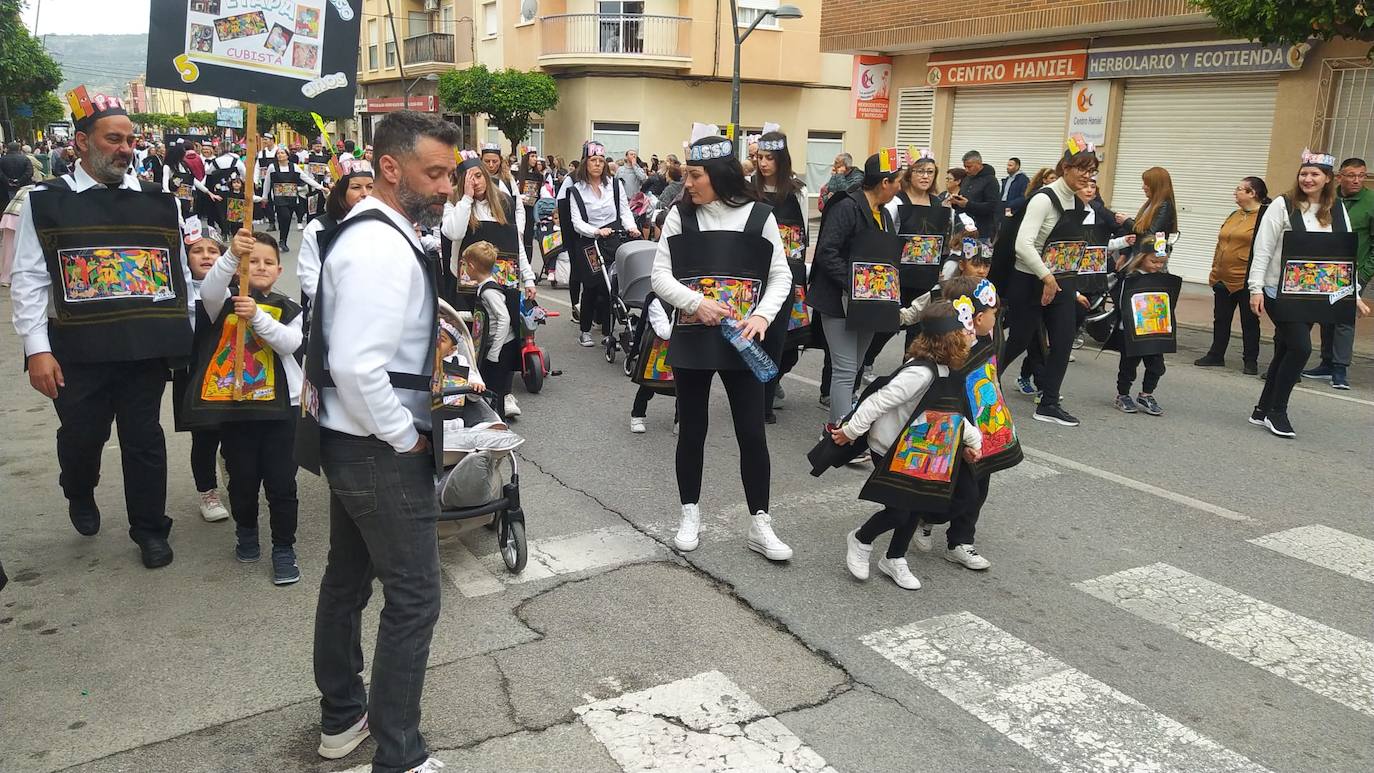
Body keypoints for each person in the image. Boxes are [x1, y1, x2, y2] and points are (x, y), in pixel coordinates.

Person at [307, 110, 458, 773]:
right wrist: (404, 438)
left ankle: (343, 715)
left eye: (451, 171)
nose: (448, 185)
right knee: (415, 597)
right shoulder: (379, 247)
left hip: (352, 438)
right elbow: (356, 366)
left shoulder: (377, 234)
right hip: (378, 446)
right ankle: (399, 755)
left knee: (347, 580)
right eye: (436, 172)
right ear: (390, 168)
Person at [10, 89, 191, 568]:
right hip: (77, 351)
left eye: (130, 140)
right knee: (82, 436)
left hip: (143, 348)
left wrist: (188, 333)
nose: (125, 148)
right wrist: (37, 349)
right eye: (114, 139)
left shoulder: (160, 202)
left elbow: (179, 276)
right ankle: (78, 487)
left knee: (144, 440)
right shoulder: (44, 202)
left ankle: (150, 529)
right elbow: (29, 279)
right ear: (82, 142)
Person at [651, 126, 793, 561]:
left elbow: (780, 275)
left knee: (752, 432)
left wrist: (762, 315)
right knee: (692, 429)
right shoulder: (680, 216)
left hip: (743, 340)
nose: (687, 183)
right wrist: (696, 303)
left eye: (695, 175)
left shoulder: (760, 216)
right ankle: (689, 512)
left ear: (718, 174)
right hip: (693, 336)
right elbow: (660, 276)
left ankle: (760, 522)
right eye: (686, 174)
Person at [835, 301, 983, 590]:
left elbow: (952, 415)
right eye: (966, 330)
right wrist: (851, 431)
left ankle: (895, 558)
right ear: (949, 338)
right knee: (899, 510)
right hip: (890, 447)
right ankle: (861, 539)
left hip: (920, 449)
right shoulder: (920, 374)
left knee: (917, 505)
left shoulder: (948, 371)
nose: (971, 334)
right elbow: (877, 401)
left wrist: (972, 440)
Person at [193, 230, 303, 584]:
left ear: (279, 270)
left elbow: (289, 343)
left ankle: (284, 547)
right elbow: (209, 290)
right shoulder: (223, 302)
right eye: (252, 260)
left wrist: (257, 316)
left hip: (282, 410)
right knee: (242, 480)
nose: (261, 266)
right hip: (237, 409)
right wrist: (229, 256)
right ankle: (247, 530)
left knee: (282, 483)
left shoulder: (290, 307)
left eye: (269, 262)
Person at [1248, 150, 1369, 439]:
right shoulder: (1282, 205)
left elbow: (1343, 257)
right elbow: (1263, 249)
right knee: (1301, 348)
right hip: (1278, 291)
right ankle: (1277, 412)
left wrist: (1354, 294)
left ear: (1327, 179)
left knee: (1286, 349)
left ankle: (1262, 410)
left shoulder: (1337, 209)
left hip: (1315, 294)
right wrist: (1255, 289)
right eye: (1304, 173)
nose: (1308, 178)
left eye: (1315, 174)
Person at [1000, 137, 1098, 427]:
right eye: (1082, 169)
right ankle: (981, 384)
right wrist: (1046, 277)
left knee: (1064, 341)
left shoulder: (1078, 201)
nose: (1087, 175)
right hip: (1029, 280)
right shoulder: (1044, 198)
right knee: (1019, 339)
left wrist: (1068, 283)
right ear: (1065, 167)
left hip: (1061, 281)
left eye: (1092, 170)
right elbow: (1023, 244)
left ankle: (1049, 403)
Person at [809, 152, 904, 434]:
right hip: (839, 300)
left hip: (870, 303)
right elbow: (827, 252)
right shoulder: (846, 207)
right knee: (845, 369)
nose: (900, 187)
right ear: (885, 182)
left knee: (856, 366)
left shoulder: (883, 214)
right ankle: (839, 433)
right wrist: (856, 285)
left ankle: (843, 425)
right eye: (898, 181)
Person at [172, 217, 230, 523]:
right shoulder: (175, 294)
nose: (206, 256)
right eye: (197, 250)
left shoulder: (235, 290)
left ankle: (232, 468)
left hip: (229, 373)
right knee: (204, 436)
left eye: (213, 250)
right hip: (194, 374)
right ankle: (207, 491)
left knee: (234, 431)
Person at [748, 129, 809, 423]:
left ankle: (768, 395)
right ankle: (754, 400)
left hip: (789, 273)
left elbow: (804, 235)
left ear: (781, 160)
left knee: (784, 342)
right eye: (760, 157)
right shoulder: (749, 188)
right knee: (754, 339)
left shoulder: (798, 191)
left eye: (770, 158)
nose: (763, 163)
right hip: (754, 270)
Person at [1304, 157, 1373, 389]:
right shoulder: (1328, 198)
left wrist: (1364, 273)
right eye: (1351, 175)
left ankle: (1340, 368)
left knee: (1344, 318)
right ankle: (1326, 362)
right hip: (1325, 270)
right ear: (1339, 177)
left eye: (1361, 175)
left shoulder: (1371, 202)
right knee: (1326, 315)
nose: (1357, 180)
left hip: (1354, 271)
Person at [567, 141, 640, 347]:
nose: (597, 164)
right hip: (590, 243)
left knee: (611, 287)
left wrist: (631, 227)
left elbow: (624, 211)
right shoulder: (577, 190)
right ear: (585, 163)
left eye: (600, 160)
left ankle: (609, 333)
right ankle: (585, 330)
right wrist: (596, 231)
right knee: (592, 286)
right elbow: (576, 222)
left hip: (613, 239)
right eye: (593, 160)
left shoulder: (615, 185)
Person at [1196, 177, 1267, 374]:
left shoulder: (1264, 216)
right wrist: (1214, 268)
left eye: (1239, 189)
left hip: (1245, 277)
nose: (1235, 192)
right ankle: (1216, 354)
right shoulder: (1234, 214)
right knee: (1221, 319)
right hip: (1222, 276)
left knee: (1249, 321)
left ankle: (1250, 360)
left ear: (1252, 193)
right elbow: (1221, 243)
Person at [298, 166, 375, 312]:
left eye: (370, 187)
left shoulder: (382, 226)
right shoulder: (318, 228)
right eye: (356, 187)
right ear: (341, 191)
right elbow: (309, 275)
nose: (365, 193)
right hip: (332, 311)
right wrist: (339, 305)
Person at [1111, 247, 1174, 416]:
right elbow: (1122, 302)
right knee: (1128, 366)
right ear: (1142, 258)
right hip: (1131, 330)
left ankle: (1146, 395)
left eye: (1161, 262)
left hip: (1154, 329)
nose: (1157, 266)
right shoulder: (1130, 278)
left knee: (1157, 366)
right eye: (1153, 261)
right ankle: (1122, 395)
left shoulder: (1162, 279)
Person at [464, 241, 519, 423]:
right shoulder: (485, 286)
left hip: (501, 347)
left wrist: (495, 352)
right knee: (491, 386)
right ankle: (493, 421)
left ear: (472, 266)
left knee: (496, 390)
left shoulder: (489, 292)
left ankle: (498, 423)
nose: (464, 269)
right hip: (497, 345)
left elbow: (504, 319)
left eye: (465, 265)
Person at [263, 147, 325, 253]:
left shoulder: (294, 167)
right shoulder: (272, 167)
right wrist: (264, 196)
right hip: (278, 197)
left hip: (292, 197)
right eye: (278, 153)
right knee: (284, 216)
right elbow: (267, 182)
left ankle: (283, 240)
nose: (280, 155)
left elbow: (306, 178)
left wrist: (320, 187)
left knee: (287, 219)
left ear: (287, 155)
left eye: (282, 153)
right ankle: (282, 239)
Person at [1121, 167, 1179, 269]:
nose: (1143, 187)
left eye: (1146, 184)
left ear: (1156, 186)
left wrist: (1127, 222)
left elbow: (1150, 236)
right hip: (1140, 256)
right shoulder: (1151, 204)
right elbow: (1139, 230)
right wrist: (1124, 254)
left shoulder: (1165, 206)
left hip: (1151, 260)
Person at [163, 141, 220, 220]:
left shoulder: (184, 165)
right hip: (175, 197)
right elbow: (165, 184)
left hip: (188, 198)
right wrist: (169, 196)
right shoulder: (168, 167)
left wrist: (209, 192)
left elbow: (193, 180)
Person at [954, 150, 1000, 239]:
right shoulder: (967, 179)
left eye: (969, 167)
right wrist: (955, 202)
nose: (966, 170)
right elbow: (962, 198)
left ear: (979, 164)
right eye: (965, 167)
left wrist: (968, 204)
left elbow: (992, 206)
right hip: (963, 229)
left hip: (981, 230)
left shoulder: (991, 181)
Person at [517, 148, 543, 262]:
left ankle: (528, 262)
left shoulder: (539, 176)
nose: (535, 159)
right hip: (519, 208)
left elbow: (539, 193)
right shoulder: (517, 173)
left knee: (528, 238)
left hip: (531, 209)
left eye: (535, 156)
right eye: (532, 156)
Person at [3, 141, 37, 210]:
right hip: (24, 186)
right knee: (24, 205)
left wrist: (8, 180)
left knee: (12, 206)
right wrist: (20, 180)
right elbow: (29, 172)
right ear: (19, 149)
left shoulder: (2, 160)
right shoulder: (25, 159)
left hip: (8, 187)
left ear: (8, 149)